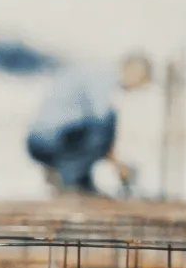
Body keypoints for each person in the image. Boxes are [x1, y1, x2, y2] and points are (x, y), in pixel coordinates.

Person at [26, 54, 152, 197]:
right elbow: (99, 127)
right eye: (140, 81)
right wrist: (119, 166)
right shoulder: (105, 78)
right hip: (50, 141)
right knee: (106, 125)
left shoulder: (94, 72)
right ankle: (73, 181)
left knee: (100, 127)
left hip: (39, 140)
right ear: (133, 70)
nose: (134, 89)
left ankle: (72, 177)